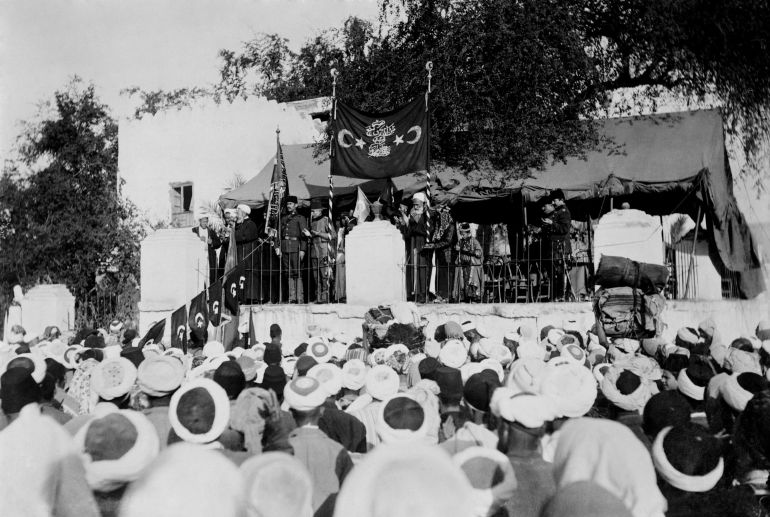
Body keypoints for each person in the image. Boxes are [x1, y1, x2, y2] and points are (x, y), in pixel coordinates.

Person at [540, 189, 572, 301]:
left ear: (562, 200)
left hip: (560, 249)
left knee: (559, 273)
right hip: (554, 249)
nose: (553, 202)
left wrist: (551, 223)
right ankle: (554, 296)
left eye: (555, 200)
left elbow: (564, 229)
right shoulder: (557, 212)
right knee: (553, 274)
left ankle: (560, 296)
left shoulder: (564, 212)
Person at [400, 192, 432, 303]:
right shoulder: (412, 214)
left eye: (418, 204)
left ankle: (424, 293)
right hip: (413, 243)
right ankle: (416, 293)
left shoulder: (427, 215)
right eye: (414, 204)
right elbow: (408, 233)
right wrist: (405, 222)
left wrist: (413, 224)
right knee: (414, 268)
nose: (415, 206)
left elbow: (426, 231)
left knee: (422, 268)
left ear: (423, 204)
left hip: (422, 244)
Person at [277, 195, 308, 304]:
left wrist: (303, 250)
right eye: (287, 204)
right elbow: (279, 235)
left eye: (290, 204)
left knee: (297, 272)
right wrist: (279, 247)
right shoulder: (284, 218)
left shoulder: (300, 218)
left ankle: (299, 297)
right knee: (288, 272)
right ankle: (292, 297)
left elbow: (304, 236)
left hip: (296, 247)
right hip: (285, 247)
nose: (288, 206)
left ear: (296, 205)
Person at [306, 198, 334, 304]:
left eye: (314, 211)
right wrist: (309, 235)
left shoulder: (326, 220)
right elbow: (313, 238)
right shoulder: (312, 222)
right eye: (311, 211)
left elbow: (333, 235)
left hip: (324, 252)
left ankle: (325, 297)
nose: (312, 213)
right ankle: (318, 297)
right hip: (314, 252)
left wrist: (318, 234)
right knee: (315, 276)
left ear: (320, 211)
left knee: (324, 275)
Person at [234, 204, 261, 304]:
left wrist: (234, 234)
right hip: (242, 253)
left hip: (249, 253)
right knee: (242, 275)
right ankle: (243, 297)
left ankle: (252, 297)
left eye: (239, 212)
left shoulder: (250, 224)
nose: (237, 214)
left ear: (244, 213)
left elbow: (244, 237)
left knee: (250, 274)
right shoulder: (239, 224)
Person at [452, 223, 484, 302]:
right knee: (462, 283)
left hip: (472, 265)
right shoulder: (460, 241)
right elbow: (456, 250)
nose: (462, 236)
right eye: (461, 234)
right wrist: (455, 249)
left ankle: (473, 298)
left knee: (471, 282)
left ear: (468, 232)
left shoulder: (474, 241)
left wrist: (463, 250)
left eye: (463, 234)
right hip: (462, 265)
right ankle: (463, 298)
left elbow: (479, 253)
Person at [191, 214, 222, 285]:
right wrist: (198, 239)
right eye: (203, 221)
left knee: (208, 276)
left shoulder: (211, 231)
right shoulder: (194, 230)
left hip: (208, 257)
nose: (205, 223)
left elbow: (218, 243)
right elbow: (190, 243)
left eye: (206, 221)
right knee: (198, 276)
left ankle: (209, 293)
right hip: (198, 257)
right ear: (199, 221)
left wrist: (211, 243)